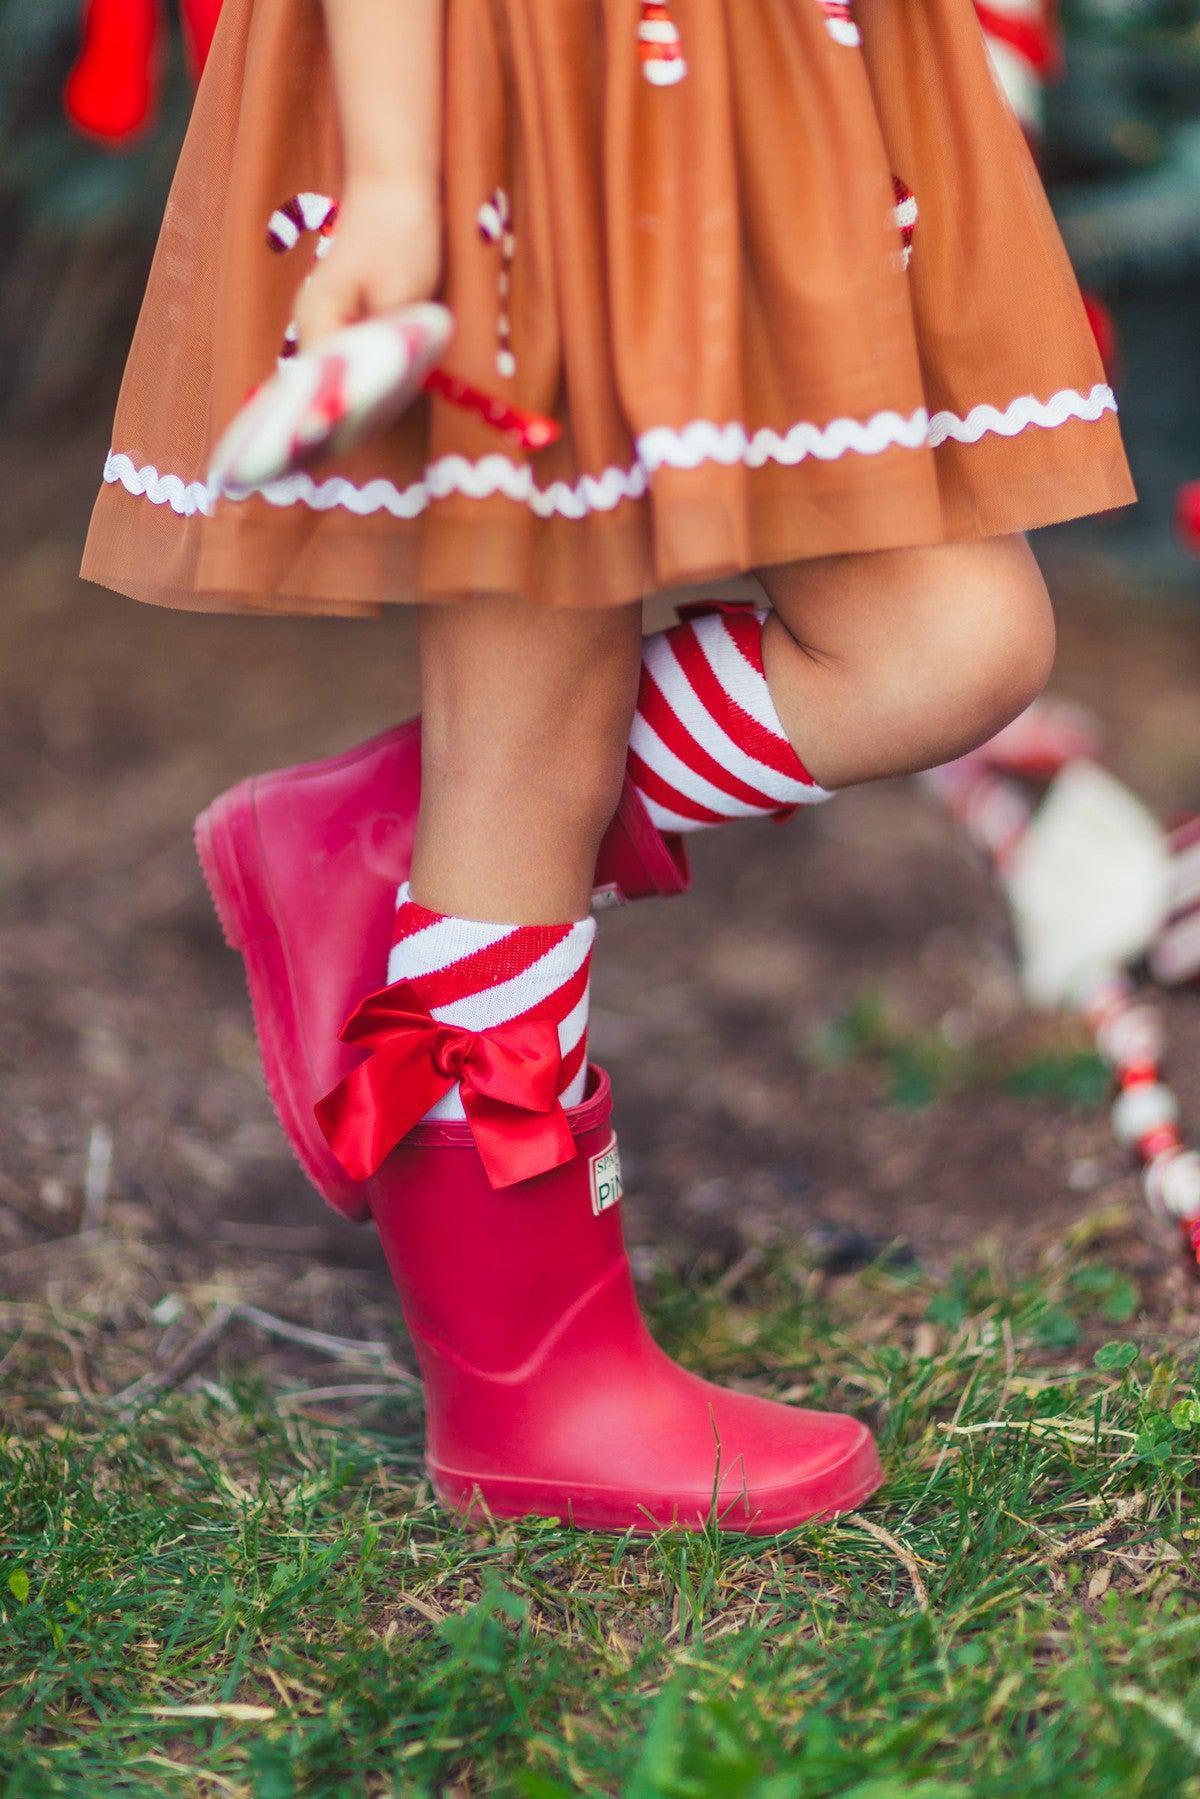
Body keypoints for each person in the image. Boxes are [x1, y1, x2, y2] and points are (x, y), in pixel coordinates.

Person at [81, 0, 1134, 1534]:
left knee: (952, 641)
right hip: (511, 98)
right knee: (532, 742)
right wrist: (398, 182)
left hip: (751, 87)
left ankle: (387, 845)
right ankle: (531, 1386)